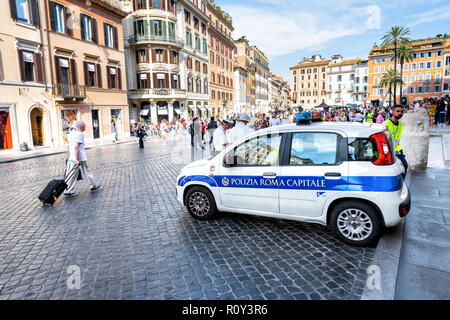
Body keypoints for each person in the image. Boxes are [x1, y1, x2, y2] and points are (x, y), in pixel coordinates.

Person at [64, 121, 102, 197]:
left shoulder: (70, 134)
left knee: (71, 174)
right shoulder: (80, 134)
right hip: (79, 157)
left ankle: (68, 190)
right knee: (84, 172)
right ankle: (69, 190)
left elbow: (68, 146)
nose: (85, 128)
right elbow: (76, 147)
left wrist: (69, 156)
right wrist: (77, 159)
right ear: (81, 127)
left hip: (72, 157)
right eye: (84, 126)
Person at [384, 105, 408, 177]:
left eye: (401, 111)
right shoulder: (386, 124)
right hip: (388, 150)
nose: (400, 113)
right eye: (397, 111)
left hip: (397, 149)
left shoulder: (400, 124)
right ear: (392, 111)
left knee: (405, 165)